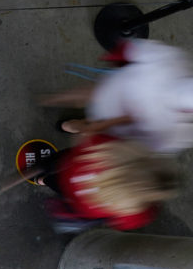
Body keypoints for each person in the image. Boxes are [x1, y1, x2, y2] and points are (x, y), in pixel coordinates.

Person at [43, 39, 193, 154]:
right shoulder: (179, 132)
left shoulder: (174, 62)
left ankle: (49, 101)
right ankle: (66, 125)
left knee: (82, 97)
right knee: (86, 124)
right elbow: (148, 146)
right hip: (112, 123)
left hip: (110, 91)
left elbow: (130, 49)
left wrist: (114, 61)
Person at [26, 133, 179, 233]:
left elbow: (86, 139)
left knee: (54, 163)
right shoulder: (138, 213)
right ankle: (42, 180)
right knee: (55, 183)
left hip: (68, 168)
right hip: (77, 201)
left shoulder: (113, 152)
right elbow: (120, 223)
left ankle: (41, 169)